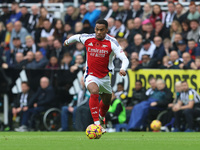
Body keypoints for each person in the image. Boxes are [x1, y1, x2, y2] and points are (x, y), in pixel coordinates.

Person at [64, 19, 129, 133]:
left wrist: (123, 69)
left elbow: (124, 59)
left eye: (101, 30)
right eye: (97, 29)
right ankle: (97, 125)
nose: (98, 32)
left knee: (106, 102)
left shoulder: (112, 42)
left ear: (106, 30)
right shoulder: (88, 38)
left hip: (105, 77)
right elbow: (76, 37)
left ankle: (101, 117)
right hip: (91, 75)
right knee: (94, 91)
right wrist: (67, 41)